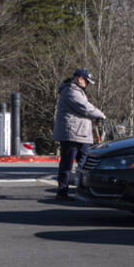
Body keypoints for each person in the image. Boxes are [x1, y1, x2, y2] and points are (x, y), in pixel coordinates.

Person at [52, 68, 106, 200]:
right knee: (68, 164)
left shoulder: (77, 91)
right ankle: (62, 192)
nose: (87, 84)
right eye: (86, 81)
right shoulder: (71, 91)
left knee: (86, 164)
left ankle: (85, 190)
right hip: (72, 134)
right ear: (79, 79)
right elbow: (84, 108)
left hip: (80, 134)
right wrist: (100, 115)